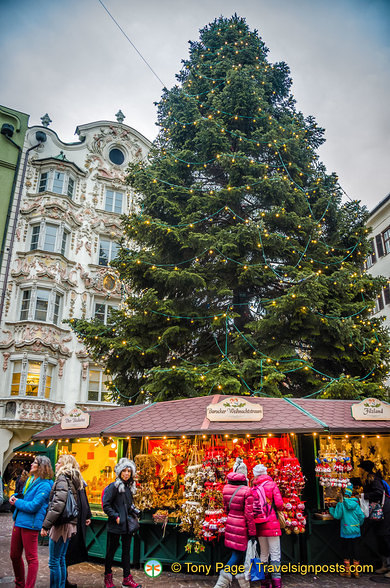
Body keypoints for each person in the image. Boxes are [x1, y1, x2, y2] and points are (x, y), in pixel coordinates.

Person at [9, 455, 54, 588]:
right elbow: (25, 496)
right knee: (14, 555)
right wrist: (15, 496)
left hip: (31, 524)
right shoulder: (31, 479)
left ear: (41, 467)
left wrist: (17, 502)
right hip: (19, 521)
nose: (32, 464)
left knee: (31, 559)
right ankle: (20, 584)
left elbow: (33, 506)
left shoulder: (45, 485)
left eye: (35, 462)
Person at [41, 454, 83, 588]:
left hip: (61, 524)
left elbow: (58, 504)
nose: (56, 465)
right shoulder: (73, 479)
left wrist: (46, 525)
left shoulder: (62, 478)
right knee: (61, 558)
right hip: (70, 523)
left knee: (54, 561)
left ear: (65, 464)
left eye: (59, 462)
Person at [213, 458, 256, 588]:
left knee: (239, 553)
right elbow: (249, 514)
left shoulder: (226, 488)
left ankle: (244, 583)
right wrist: (252, 533)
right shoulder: (247, 491)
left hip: (231, 523)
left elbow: (226, 508)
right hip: (242, 525)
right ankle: (221, 582)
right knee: (239, 553)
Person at [102, 458, 141, 588]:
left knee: (126, 552)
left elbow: (128, 506)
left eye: (129, 471)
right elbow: (106, 505)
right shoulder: (113, 487)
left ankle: (126, 578)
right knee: (111, 551)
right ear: (119, 472)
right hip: (116, 525)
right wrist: (116, 516)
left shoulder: (128, 488)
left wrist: (134, 512)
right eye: (124, 470)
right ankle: (108, 577)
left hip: (127, 526)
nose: (126, 473)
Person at [252, 463, 284, 588]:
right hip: (272, 523)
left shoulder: (254, 486)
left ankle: (264, 582)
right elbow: (280, 504)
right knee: (275, 553)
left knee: (263, 553)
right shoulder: (272, 485)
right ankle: (277, 582)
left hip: (260, 524)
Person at [359, 459, 390, 577]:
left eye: (360, 468)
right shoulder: (369, 479)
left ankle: (388, 566)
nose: (358, 470)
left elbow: (378, 492)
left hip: (384, 511)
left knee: (385, 537)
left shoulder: (374, 479)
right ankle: (384, 565)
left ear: (364, 469)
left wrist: (363, 495)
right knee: (380, 538)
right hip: (379, 512)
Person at [329, 483, 365, 577]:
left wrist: (331, 510)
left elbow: (337, 516)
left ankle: (347, 571)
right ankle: (356, 572)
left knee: (346, 551)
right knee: (356, 550)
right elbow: (361, 516)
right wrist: (358, 525)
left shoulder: (341, 504)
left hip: (345, 531)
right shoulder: (355, 503)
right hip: (356, 530)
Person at [65, 474, 92, 588]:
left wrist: (87, 515)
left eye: (59, 463)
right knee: (61, 555)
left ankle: (61, 582)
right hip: (69, 520)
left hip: (69, 520)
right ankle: (62, 581)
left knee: (62, 555)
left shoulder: (75, 482)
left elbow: (84, 500)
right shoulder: (70, 481)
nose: (56, 464)